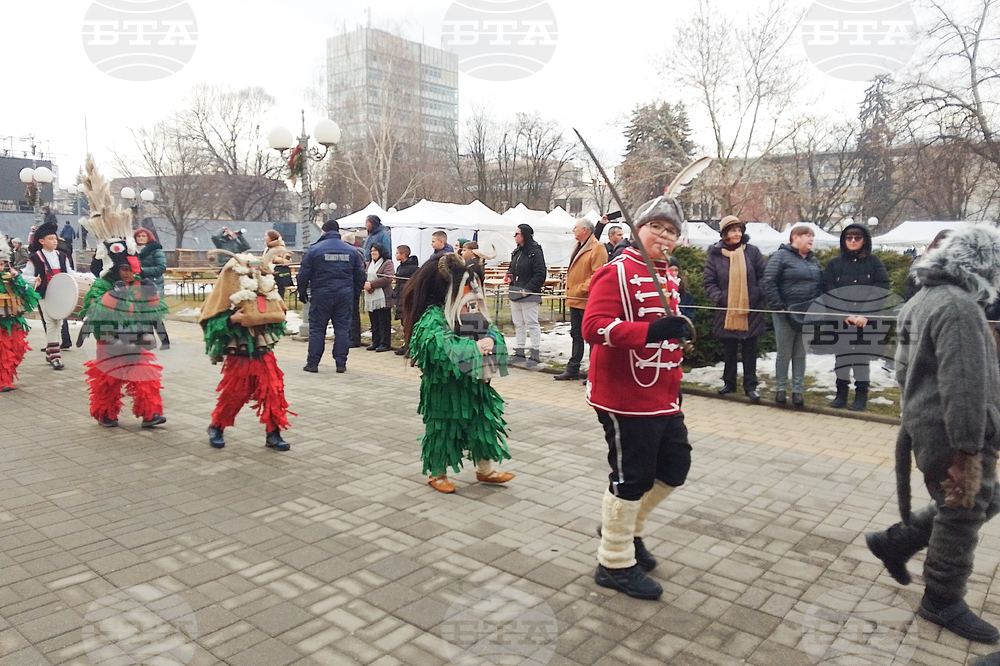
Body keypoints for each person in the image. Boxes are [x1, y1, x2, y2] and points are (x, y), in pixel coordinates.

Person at [865, 224, 1000, 645]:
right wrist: (966, 450)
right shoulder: (958, 307)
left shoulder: (923, 298)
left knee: (984, 499)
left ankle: (896, 541)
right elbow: (964, 385)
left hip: (930, 423)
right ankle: (942, 598)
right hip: (952, 431)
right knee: (962, 510)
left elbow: (904, 369)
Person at [583, 196, 694, 600]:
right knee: (631, 478)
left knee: (676, 467)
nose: (664, 236)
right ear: (638, 229)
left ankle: (624, 529)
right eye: (656, 227)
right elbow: (593, 327)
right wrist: (651, 333)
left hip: (663, 393)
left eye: (671, 231)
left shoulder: (668, 274)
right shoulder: (616, 271)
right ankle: (613, 562)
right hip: (624, 394)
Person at [400, 252, 514, 493]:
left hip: (475, 383)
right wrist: (473, 348)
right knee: (443, 428)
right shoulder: (432, 316)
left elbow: (489, 329)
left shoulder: (466, 312)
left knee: (482, 424)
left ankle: (485, 469)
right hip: (444, 388)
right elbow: (436, 345)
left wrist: (492, 340)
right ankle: (437, 473)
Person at [75, 155, 168, 428]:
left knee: (145, 374)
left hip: (137, 339)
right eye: (126, 269)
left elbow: (152, 310)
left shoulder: (139, 284)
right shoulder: (102, 285)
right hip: (111, 341)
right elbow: (91, 311)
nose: (131, 273)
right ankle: (106, 412)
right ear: (115, 269)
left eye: (132, 269)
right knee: (109, 378)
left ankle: (150, 414)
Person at [200, 245, 292, 451]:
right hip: (239, 355)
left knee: (272, 392)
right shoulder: (225, 294)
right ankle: (216, 427)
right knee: (234, 394)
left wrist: (269, 317)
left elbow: (279, 316)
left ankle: (273, 433)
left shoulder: (266, 293)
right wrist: (231, 320)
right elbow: (210, 322)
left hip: (263, 354)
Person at [822, 223, 891, 411]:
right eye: (849, 238)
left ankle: (861, 395)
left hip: (865, 321)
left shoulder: (874, 262)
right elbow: (828, 288)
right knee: (841, 359)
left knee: (861, 359)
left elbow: (881, 288)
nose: (853, 241)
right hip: (842, 321)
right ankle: (841, 394)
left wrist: (865, 314)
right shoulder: (835, 263)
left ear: (864, 240)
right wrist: (844, 313)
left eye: (857, 238)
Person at [703, 215, 766, 401]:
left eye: (739, 230)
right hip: (726, 309)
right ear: (724, 233)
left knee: (750, 350)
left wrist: (756, 293)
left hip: (750, 308)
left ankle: (750, 386)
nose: (737, 234)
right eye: (733, 230)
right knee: (729, 349)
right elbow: (709, 281)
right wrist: (720, 297)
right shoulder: (715, 255)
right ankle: (729, 383)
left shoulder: (752, 252)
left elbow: (763, 276)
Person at [763, 225, 823, 407]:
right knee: (784, 353)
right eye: (807, 235)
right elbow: (769, 281)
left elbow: (819, 284)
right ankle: (781, 389)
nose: (811, 239)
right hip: (786, 312)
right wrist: (778, 306)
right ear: (795, 237)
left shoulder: (813, 260)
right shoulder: (780, 256)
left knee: (800, 354)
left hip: (807, 313)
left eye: (812, 236)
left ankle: (798, 391)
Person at [297, 219, 365, 373]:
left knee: (317, 329)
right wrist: (355, 293)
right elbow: (360, 274)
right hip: (344, 295)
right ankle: (341, 364)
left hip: (321, 294)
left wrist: (302, 292)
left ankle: (313, 363)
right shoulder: (351, 251)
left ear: (324, 231)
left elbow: (303, 274)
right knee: (342, 329)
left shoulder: (314, 249)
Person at [21, 219, 86, 367]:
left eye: (55, 238)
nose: (54, 241)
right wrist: (34, 280)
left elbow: (69, 273)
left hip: (61, 294)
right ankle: (56, 356)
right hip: (44, 294)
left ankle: (49, 352)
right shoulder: (35, 258)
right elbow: (25, 276)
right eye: (50, 239)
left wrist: (83, 277)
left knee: (59, 322)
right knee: (51, 323)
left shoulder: (62, 256)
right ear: (41, 241)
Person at [555, 217, 608, 381]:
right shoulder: (579, 246)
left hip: (587, 300)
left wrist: (579, 289)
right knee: (576, 335)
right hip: (575, 299)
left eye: (576, 227)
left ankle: (594, 372)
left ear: (585, 230)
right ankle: (573, 369)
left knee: (591, 337)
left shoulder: (597, 248)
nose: (573, 230)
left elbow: (597, 275)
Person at [0, 243, 40, 392]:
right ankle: (5, 381)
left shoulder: (11, 278)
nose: (0, 267)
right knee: (3, 352)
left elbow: (27, 293)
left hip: (14, 320)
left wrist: (17, 278)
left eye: (1, 264)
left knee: (17, 350)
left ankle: (6, 375)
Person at [505, 223, 546, 368]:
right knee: (518, 323)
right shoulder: (517, 252)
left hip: (529, 294)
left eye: (517, 234)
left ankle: (535, 352)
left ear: (524, 236)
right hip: (515, 291)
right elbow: (512, 267)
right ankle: (520, 351)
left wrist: (528, 289)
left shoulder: (535, 252)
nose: (514, 236)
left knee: (532, 323)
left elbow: (540, 274)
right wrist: (509, 275)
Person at [364, 243, 396, 352]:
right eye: (371, 251)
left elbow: (387, 278)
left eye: (375, 251)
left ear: (380, 252)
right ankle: (375, 341)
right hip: (371, 296)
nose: (372, 253)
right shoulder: (369, 263)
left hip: (383, 297)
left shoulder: (387, 263)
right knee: (374, 321)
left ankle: (385, 343)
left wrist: (371, 284)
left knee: (384, 321)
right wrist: (365, 284)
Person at [393, 245, 419, 356]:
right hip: (399, 297)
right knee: (403, 324)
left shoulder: (413, 269)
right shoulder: (400, 267)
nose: (395, 255)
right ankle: (406, 344)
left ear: (403, 255)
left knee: (408, 324)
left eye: (397, 253)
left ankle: (410, 346)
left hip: (407, 298)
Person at [134, 228, 167, 298]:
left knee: (154, 303)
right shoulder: (132, 251)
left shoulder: (156, 250)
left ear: (149, 237)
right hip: (137, 284)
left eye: (144, 236)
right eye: (138, 236)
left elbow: (161, 267)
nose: (141, 238)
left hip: (154, 283)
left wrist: (141, 270)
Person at [265, 230, 294, 299]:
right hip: (268, 275)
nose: (264, 238)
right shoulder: (267, 248)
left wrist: (274, 258)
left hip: (277, 276)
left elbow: (287, 260)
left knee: (278, 295)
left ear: (271, 238)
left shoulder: (280, 248)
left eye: (266, 236)